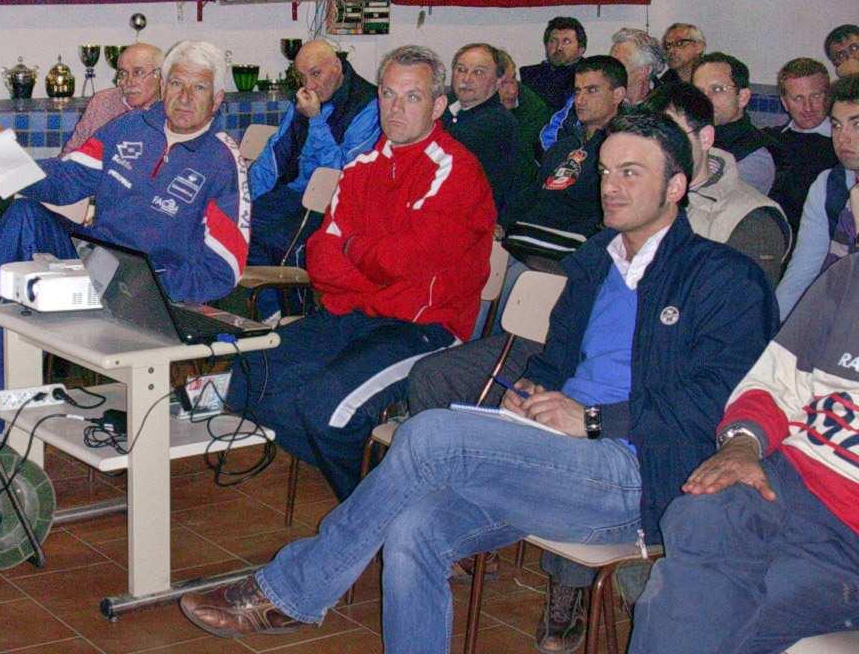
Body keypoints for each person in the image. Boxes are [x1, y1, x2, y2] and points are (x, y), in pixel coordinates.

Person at [179, 112, 778, 653]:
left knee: (432, 435)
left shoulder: (724, 279)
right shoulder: (597, 258)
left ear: (676, 187)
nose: (611, 186)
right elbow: (555, 363)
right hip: (561, 457)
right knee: (416, 528)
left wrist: (593, 421)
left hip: (637, 475)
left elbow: (709, 404)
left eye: (631, 172)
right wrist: (529, 396)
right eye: (604, 171)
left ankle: (291, 592)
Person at [0, 40, 250, 392]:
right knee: (24, 213)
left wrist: (155, 287)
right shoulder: (127, 129)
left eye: (198, 87)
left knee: (24, 305)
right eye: (176, 83)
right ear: (163, 85)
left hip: (150, 286)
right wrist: (10, 170)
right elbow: (68, 178)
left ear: (217, 98)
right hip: (93, 263)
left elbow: (225, 268)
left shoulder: (222, 161)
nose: (184, 98)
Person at [222, 45, 496, 502]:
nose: (395, 108)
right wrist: (365, 262)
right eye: (388, 94)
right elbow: (320, 258)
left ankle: (379, 511)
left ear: (438, 105)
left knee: (326, 411)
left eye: (412, 97)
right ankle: (375, 493)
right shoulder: (361, 167)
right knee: (252, 372)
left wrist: (353, 248)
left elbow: (403, 262)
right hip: (354, 314)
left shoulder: (455, 172)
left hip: (422, 328)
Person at [630, 250, 859, 654]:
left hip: (848, 542)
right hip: (783, 482)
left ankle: (673, 589)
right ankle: (679, 586)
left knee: (706, 609)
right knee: (698, 512)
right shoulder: (851, 275)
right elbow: (775, 383)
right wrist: (742, 443)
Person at [246, 39, 379, 320]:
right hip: (293, 193)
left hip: (331, 204)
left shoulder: (369, 105)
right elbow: (275, 153)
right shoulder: (305, 99)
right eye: (302, 76)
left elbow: (343, 173)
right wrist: (244, 197)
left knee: (279, 240)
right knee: (237, 226)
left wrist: (316, 120)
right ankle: (270, 315)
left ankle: (291, 317)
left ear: (337, 67)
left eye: (315, 74)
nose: (309, 84)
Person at [643, 82, 791, 289]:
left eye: (670, 137)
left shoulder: (751, 220)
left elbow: (740, 312)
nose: (658, 152)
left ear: (705, 138)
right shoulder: (638, 196)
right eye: (649, 140)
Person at [776, 75, 859, 321]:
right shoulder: (828, 185)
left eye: (857, 125)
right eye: (836, 125)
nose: (843, 138)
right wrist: (773, 336)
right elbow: (804, 270)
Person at [521, 55, 628, 241]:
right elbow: (534, 192)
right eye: (577, 91)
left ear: (617, 95)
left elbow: (603, 215)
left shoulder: (625, 150)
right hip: (530, 236)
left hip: (573, 247)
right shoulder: (564, 145)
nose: (580, 100)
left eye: (592, 90)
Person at [445, 43, 537, 227]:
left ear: (497, 81)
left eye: (478, 72)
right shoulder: (447, 110)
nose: (466, 78)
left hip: (475, 223)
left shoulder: (496, 122)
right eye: (461, 70)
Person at [768, 58, 835, 237]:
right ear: (784, 103)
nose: (808, 107)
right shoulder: (768, 140)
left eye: (816, 96)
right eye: (798, 98)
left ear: (828, 96)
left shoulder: (844, 145)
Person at [692, 52, 776, 194]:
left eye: (717, 89)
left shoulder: (755, 157)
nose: (704, 99)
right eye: (698, 91)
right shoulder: (691, 136)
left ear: (742, 97)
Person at [59, 43, 163, 157]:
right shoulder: (102, 102)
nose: (128, 81)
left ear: (160, 75)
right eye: (123, 73)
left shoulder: (172, 111)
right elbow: (69, 155)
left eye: (138, 72)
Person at [497, 49, 553, 163]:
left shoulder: (535, 110)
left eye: (513, 78)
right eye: (503, 84)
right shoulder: (461, 101)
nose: (512, 91)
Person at [520, 16, 587, 112]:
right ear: (546, 45)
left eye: (566, 41)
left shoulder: (589, 77)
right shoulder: (530, 76)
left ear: (581, 49)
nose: (559, 47)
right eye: (553, 41)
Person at [609, 27, 666, 104]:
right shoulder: (602, 102)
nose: (609, 69)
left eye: (619, 64)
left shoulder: (667, 105)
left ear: (644, 71)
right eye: (610, 62)